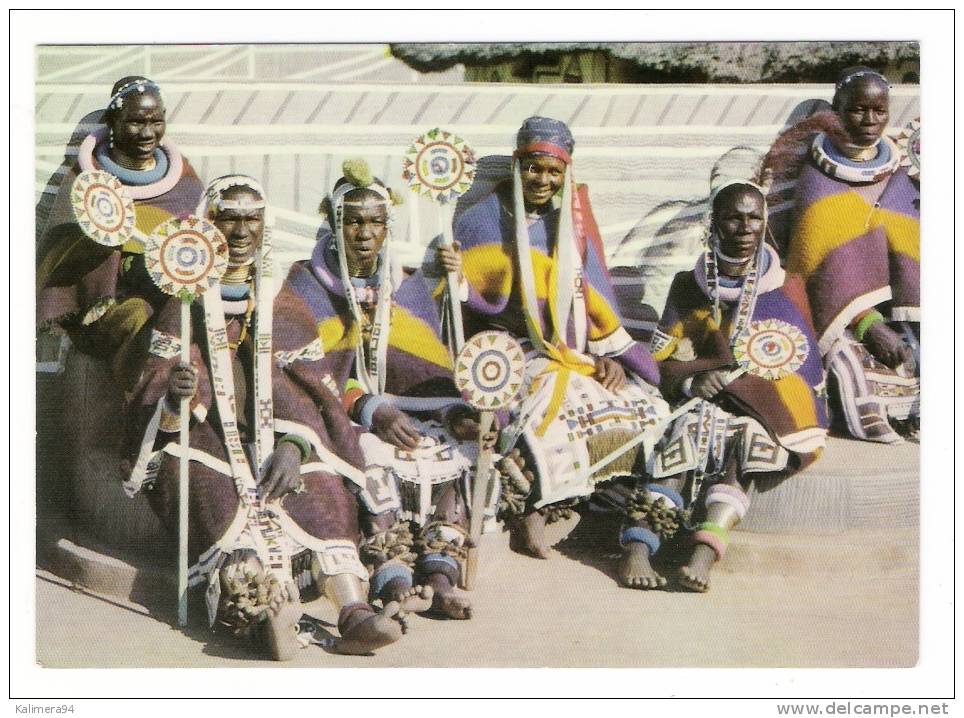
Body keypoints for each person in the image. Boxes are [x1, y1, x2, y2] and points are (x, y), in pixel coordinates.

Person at [123, 175, 406, 659]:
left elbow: (315, 390)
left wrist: (295, 448)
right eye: (228, 217)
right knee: (208, 494)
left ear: (264, 225)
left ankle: (353, 610)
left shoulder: (283, 300)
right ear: (209, 224)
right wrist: (176, 397)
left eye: (250, 218)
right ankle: (258, 615)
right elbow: (151, 390)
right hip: (203, 442)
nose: (239, 230)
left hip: (279, 445)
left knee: (322, 488)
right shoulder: (183, 303)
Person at [444, 116, 670, 578]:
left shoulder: (573, 224)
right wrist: (458, 276)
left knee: (636, 406)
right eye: (533, 168)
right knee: (554, 396)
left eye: (553, 172)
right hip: (511, 348)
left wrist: (607, 358)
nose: (543, 181)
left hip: (574, 352)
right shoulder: (483, 219)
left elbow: (593, 302)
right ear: (516, 165)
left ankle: (587, 502)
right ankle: (534, 507)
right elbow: (471, 306)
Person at [285, 160, 492, 620]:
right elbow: (309, 371)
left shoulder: (402, 285)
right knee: (370, 459)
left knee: (453, 453)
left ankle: (441, 578)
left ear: (386, 228)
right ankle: (393, 579)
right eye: (352, 221)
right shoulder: (306, 284)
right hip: (342, 415)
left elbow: (422, 362)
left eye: (375, 223)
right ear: (334, 225)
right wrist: (372, 408)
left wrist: (449, 411)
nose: (364, 233)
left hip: (410, 412)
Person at [647, 180, 829, 592]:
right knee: (684, 439)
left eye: (754, 218)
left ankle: (705, 552)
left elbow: (802, 363)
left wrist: (746, 388)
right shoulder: (687, 284)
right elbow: (661, 357)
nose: (745, 227)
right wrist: (692, 379)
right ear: (714, 225)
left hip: (763, 401)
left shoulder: (787, 286)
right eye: (733, 217)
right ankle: (640, 546)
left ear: (764, 224)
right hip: (703, 397)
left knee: (745, 444)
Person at [766, 66, 919, 444]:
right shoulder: (818, 181)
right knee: (849, 368)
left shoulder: (904, 174)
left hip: (905, 318)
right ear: (837, 110)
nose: (870, 120)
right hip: (844, 323)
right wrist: (869, 326)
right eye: (857, 110)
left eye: (879, 110)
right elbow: (817, 273)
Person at [37, 76, 204, 385]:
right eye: (135, 122)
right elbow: (59, 253)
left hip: (167, 311)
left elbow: (198, 246)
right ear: (113, 122)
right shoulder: (81, 182)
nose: (147, 132)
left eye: (156, 121)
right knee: (136, 315)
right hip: (97, 319)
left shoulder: (185, 182)